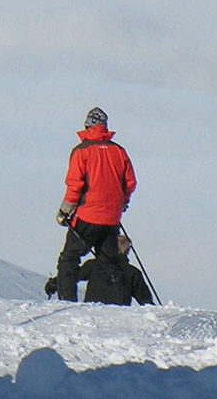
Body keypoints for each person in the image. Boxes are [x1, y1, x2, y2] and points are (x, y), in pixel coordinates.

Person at [52, 107, 137, 301]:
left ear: (87, 126)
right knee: (108, 261)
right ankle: (113, 301)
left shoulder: (81, 151)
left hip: (88, 215)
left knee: (69, 259)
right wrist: (123, 201)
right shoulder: (119, 151)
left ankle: (67, 300)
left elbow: (75, 184)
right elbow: (130, 182)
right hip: (112, 216)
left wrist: (65, 210)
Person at [55, 231, 154, 306]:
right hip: (120, 315)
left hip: (90, 313)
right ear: (127, 251)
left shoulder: (93, 265)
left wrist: (53, 283)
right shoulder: (133, 272)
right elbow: (145, 301)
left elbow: (70, 276)